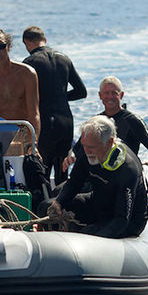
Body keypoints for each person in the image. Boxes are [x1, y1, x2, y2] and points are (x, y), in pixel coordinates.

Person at [47, 115, 148, 238]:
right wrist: (59, 203)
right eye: (84, 146)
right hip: (99, 204)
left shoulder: (127, 168)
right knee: (46, 206)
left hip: (127, 220)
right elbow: (74, 183)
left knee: (85, 234)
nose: (87, 151)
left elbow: (122, 220)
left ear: (109, 142)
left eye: (91, 147)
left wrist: (94, 237)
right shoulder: (87, 151)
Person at [22, 26, 87, 185]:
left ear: (27, 42)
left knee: (41, 170)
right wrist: (60, 98)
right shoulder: (64, 58)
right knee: (62, 172)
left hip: (44, 123)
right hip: (65, 121)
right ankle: (62, 207)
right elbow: (81, 92)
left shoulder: (29, 64)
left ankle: (44, 206)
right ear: (44, 39)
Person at [63, 75, 148, 176]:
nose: (110, 97)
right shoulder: (96, 122)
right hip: (100, 176)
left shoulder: (132, 120)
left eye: (114, 93)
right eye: (106, 93)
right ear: (100, 95)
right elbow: (78, 147)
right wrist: (71, 155)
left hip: (125, 176)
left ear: (121, 95)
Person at [0, 27, 41, 143]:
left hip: (24, 134)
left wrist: (33, 144)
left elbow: (33, 114)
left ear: (8, 46)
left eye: (1, 46)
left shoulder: (27, 74)